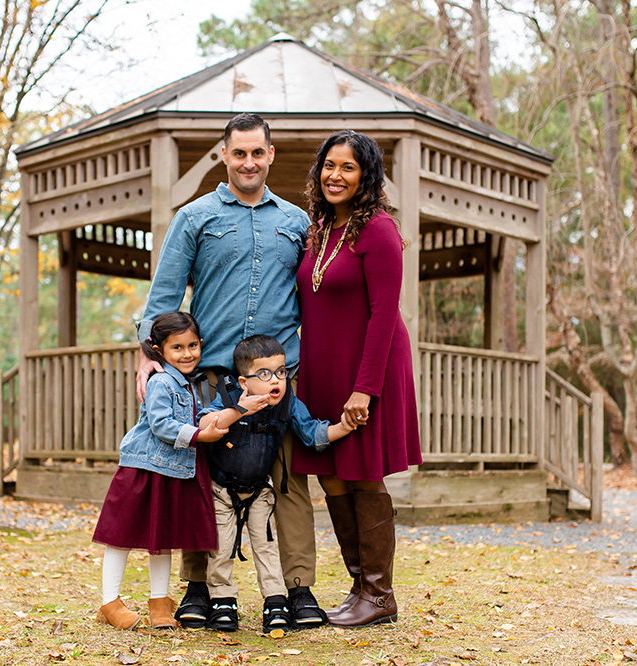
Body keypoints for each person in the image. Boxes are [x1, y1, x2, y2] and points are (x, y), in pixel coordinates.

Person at [134, 113, 329, 629]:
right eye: (238, 153)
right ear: (225, 154)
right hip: (212, 380)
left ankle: (298, 589)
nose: (248, 162)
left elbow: (319, 299)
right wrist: (150, 362)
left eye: (257, 153)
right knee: (203, 481)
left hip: (277, 379)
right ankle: (199, 589)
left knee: (287, 482)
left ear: (271, 154)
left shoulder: (297, 223)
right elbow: (162, 301)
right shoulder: (194, 217)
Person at [292, 130, 422, 627]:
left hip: (369, 365)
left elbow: (385, 314)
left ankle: (379, 593)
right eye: (329, 165)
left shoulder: (379, 231)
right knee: (331, 473)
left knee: (363, 474)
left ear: (366, 176)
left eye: (348, 167)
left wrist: (365, 388)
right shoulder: (319, 229)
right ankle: (358, 587)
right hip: (324, 367)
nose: (335, 175)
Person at [195, 335, 358, 632]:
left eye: (281, 372)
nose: (277, 380)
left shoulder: (288, 403)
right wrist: (239, 409)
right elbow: (205, 423)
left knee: (266, 546)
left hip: (259, 492)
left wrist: (341, 428)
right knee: (220, 547)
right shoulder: (230, 395)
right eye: (265, 374)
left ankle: (275, 600)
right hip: (222, 491)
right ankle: (222, 600)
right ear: (244, 381)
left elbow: (310, 433)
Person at [92, 312, 230, 631]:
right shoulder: (161, 381)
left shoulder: (190, 384)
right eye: (177, 348)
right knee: (121, 536)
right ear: (160, 351)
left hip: (171, 471)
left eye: (192, 345)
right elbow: (161, 424)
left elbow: (195, 415)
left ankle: (159, 602)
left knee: (162, 537)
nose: (187, 353)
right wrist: (198, 435)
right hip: (143, 468)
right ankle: (109, 601)